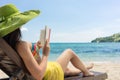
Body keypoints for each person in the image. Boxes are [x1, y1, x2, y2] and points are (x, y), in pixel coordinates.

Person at [0, 4, 94, 80]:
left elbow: (25, 60)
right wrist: (45, 54)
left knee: (67, 70)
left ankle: (85, 68)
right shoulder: (21, 45)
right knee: (69, 52)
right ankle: (86, 72)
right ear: (17, 26)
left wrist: (35, 49)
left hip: (39, 70)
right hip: (48, 75)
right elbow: (39, 75)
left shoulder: (8, 46)